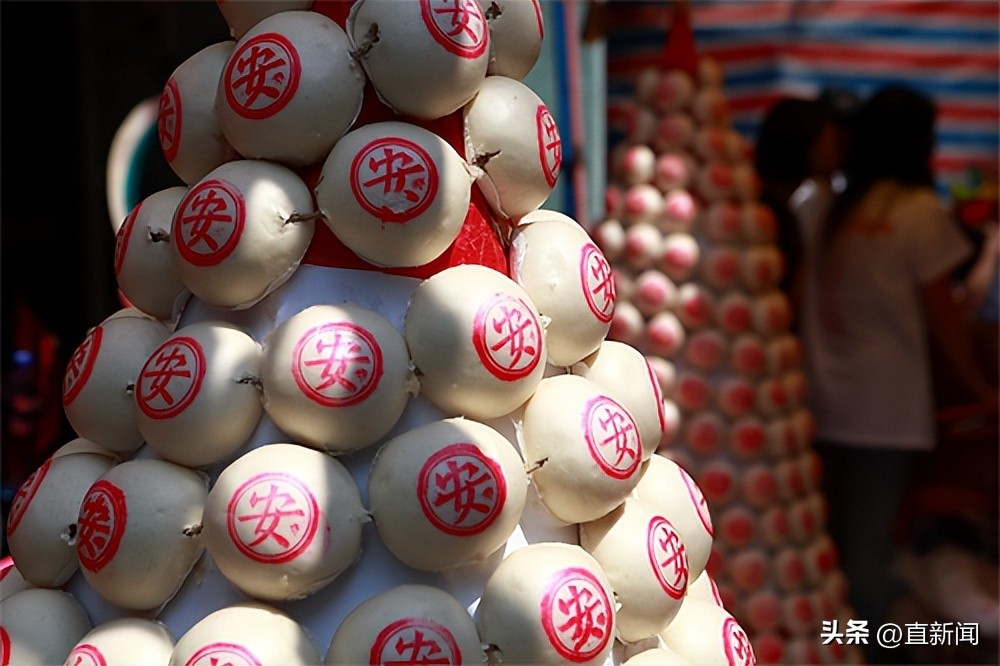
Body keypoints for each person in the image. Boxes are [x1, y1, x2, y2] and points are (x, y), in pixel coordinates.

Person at [797, 84, 998, 662]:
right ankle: (886, 649)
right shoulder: (915, 211)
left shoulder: (835, 206)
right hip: (885, 414)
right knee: (867, 556)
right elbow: (946, 322)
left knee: (843, 546)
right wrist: (985, 389)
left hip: (827, 405)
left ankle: (853, 643)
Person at [753, 94, 847, 310]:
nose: (839, 149)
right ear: (805, 142)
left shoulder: (779, 204)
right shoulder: (773, 215)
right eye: (831, 140)